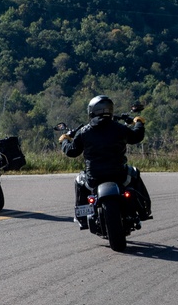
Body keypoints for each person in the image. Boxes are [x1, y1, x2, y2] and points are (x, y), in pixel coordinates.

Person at [60, 95, 152, 229]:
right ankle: (144, 211)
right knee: (134, 172)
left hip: (94, 177)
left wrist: (64, 141)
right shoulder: (119, 128)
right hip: (118, 175)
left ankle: (82, 217)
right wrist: (139, 122)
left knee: (79, 180)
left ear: (91, 110)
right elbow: (136, 136)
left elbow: (71, 151)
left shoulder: (84, 131)